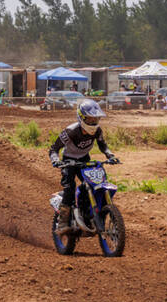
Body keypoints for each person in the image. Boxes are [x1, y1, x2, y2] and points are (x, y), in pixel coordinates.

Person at [48, 100, 118, 235]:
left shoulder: (97, 130)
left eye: (95, 119)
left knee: (92, 185)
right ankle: (62, 223)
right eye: (90, 119)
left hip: (84, 160)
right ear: (81, 117)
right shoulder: (71, 131)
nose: (93, 122)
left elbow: (103, 145)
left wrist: (110, 155)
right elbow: (54, 149)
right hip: (68, 161)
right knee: (70, 188)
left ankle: (88, 214)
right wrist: (56, 160)